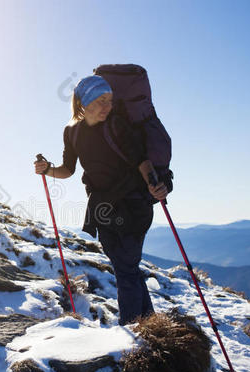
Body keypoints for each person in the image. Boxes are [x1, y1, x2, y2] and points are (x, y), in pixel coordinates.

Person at [34, 74, 170, 325]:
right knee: (126, 268)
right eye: (101, 100)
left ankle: (130, 331)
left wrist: (154, 185)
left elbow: (142, 160)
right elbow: (68, 169)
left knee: (126, 269)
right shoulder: (72, 132)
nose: (108, 106)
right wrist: (47, 170)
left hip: (133, 205)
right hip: (103, 209)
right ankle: (149, 325)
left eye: (110, 100)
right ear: (83, 102)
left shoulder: (117, 125)